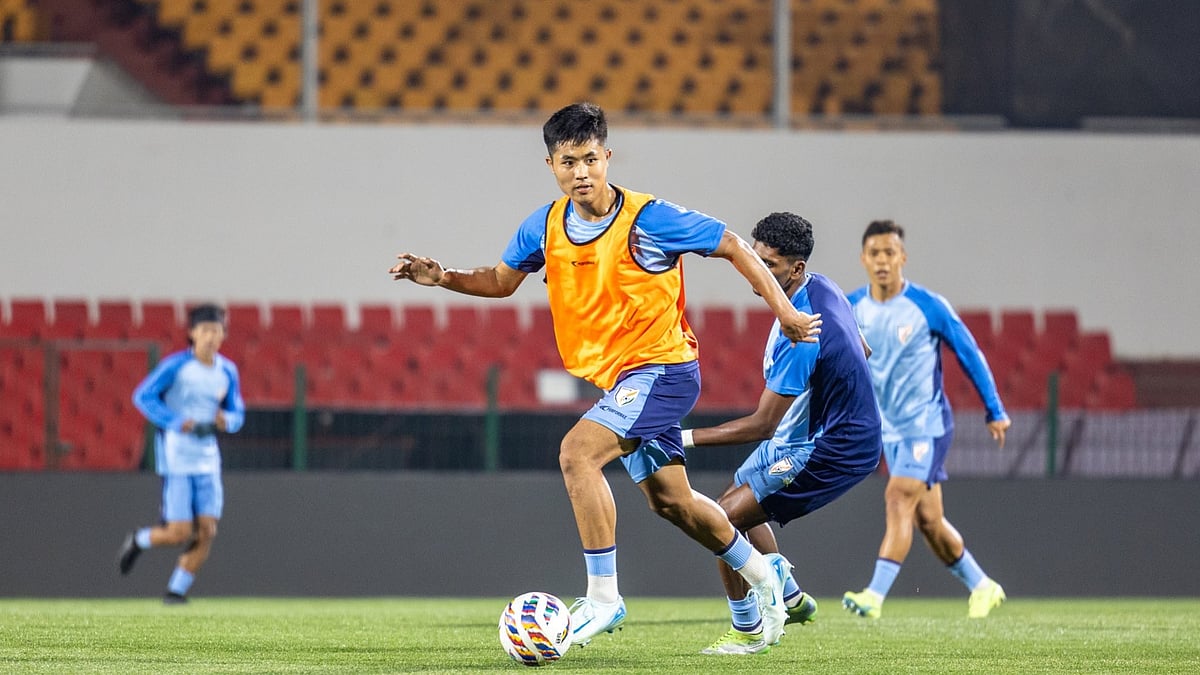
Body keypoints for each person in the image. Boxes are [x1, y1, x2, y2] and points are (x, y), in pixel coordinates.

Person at [388, 102, 821, 648]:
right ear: (551, 165)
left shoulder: (649, 219)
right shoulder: (543, 225)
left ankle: (602, 600)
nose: (581, 172)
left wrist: (783, 310)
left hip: (663, 370)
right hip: (623, 383)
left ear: (608, 157)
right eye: (568, 161)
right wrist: (443, 277)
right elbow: (501, 282)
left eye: (591, 158)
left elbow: (732, 243)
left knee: (577, 453)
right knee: (672, 502)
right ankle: (767, 577)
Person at [682, 212, 882, 655]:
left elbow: (760, 424)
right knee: (738, 496)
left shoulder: (802, 333)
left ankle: (750, 629)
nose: (756, 267)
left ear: (796, 269)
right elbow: (863, 348)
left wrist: (685, 439)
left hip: (832, 447)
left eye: (769, 263)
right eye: (755, 256)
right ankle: (789, 595)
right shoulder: (823, 286)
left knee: (721, 520)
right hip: (805, 432)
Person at [843, 219, 1009, 619]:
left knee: (898, 497)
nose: (883, 261)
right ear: (864, 259)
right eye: (875, 254)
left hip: (927, 426)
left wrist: (995, 409)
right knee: (930, 521)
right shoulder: (851, 308)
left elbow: (969, 353)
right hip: (889, 431)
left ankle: (874, 597)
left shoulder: (928, 306)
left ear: (903, 257)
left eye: (890, 253)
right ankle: (983, 585)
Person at [117, 303, 245, 604]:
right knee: (178, 532)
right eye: (205, 331)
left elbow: (237, 409)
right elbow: (143, 396)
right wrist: (175, 422)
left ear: (223, 335)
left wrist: (229, 421)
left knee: (207, 530)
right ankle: (140, 539)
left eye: (216, 331)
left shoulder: (227, 370)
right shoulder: (177, 367)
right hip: (177, 459)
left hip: (208, 460)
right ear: (192, 334)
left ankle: (176, 591)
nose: (211, 337)